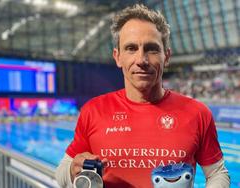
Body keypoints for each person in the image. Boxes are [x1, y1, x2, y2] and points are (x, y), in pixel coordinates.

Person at [55, 4, 230, 188]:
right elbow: (61, 174)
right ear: (118, 57)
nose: (141, 60)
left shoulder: (197, 113)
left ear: (167, 56)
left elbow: (217, 173)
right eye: (131, 48)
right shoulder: (93, 111)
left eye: (152, 49)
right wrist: (72, 170)